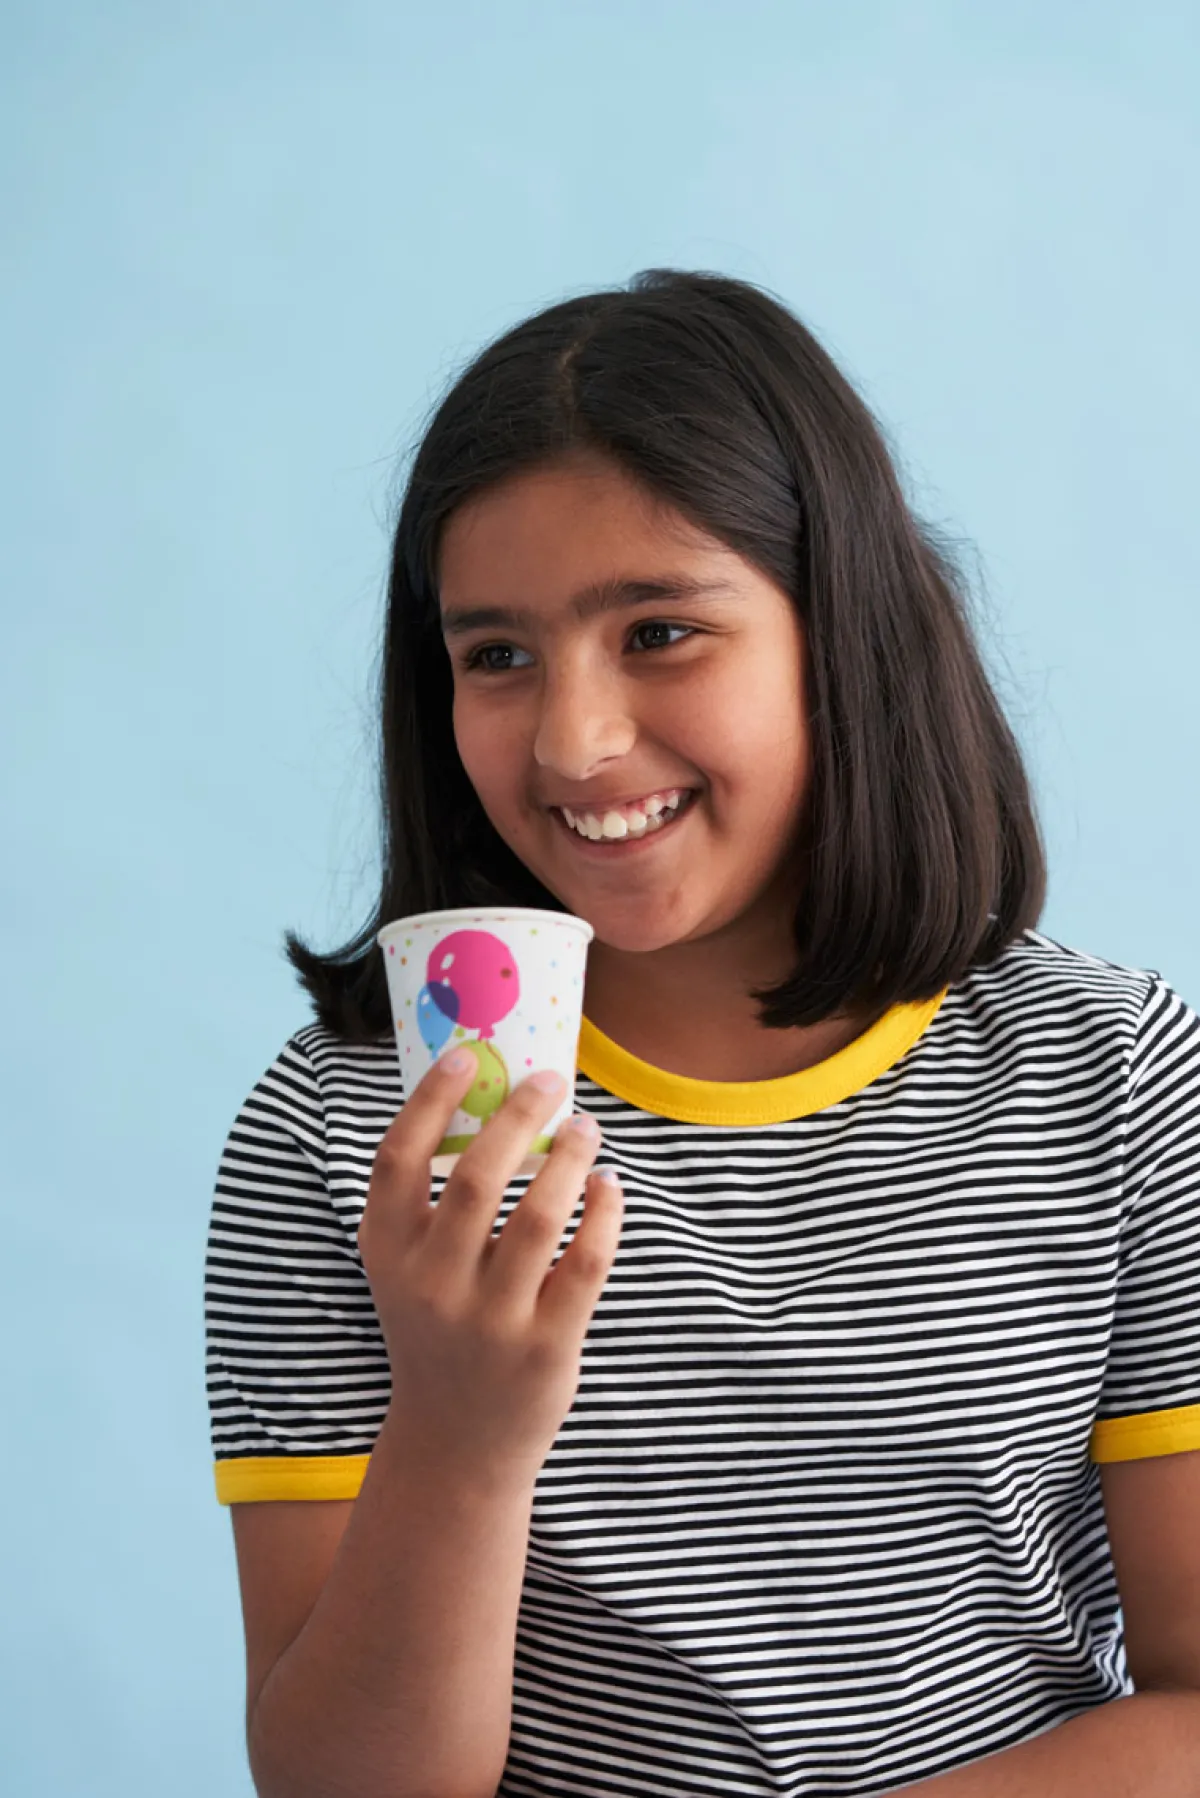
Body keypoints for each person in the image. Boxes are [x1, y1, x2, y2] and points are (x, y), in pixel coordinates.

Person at [203, 270, 1200, 1798]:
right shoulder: (339, 1135)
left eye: (659, 630)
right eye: (496, 654)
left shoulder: (1110, 1074)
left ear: (842, 631)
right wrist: (461, 1431)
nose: (574, 740)